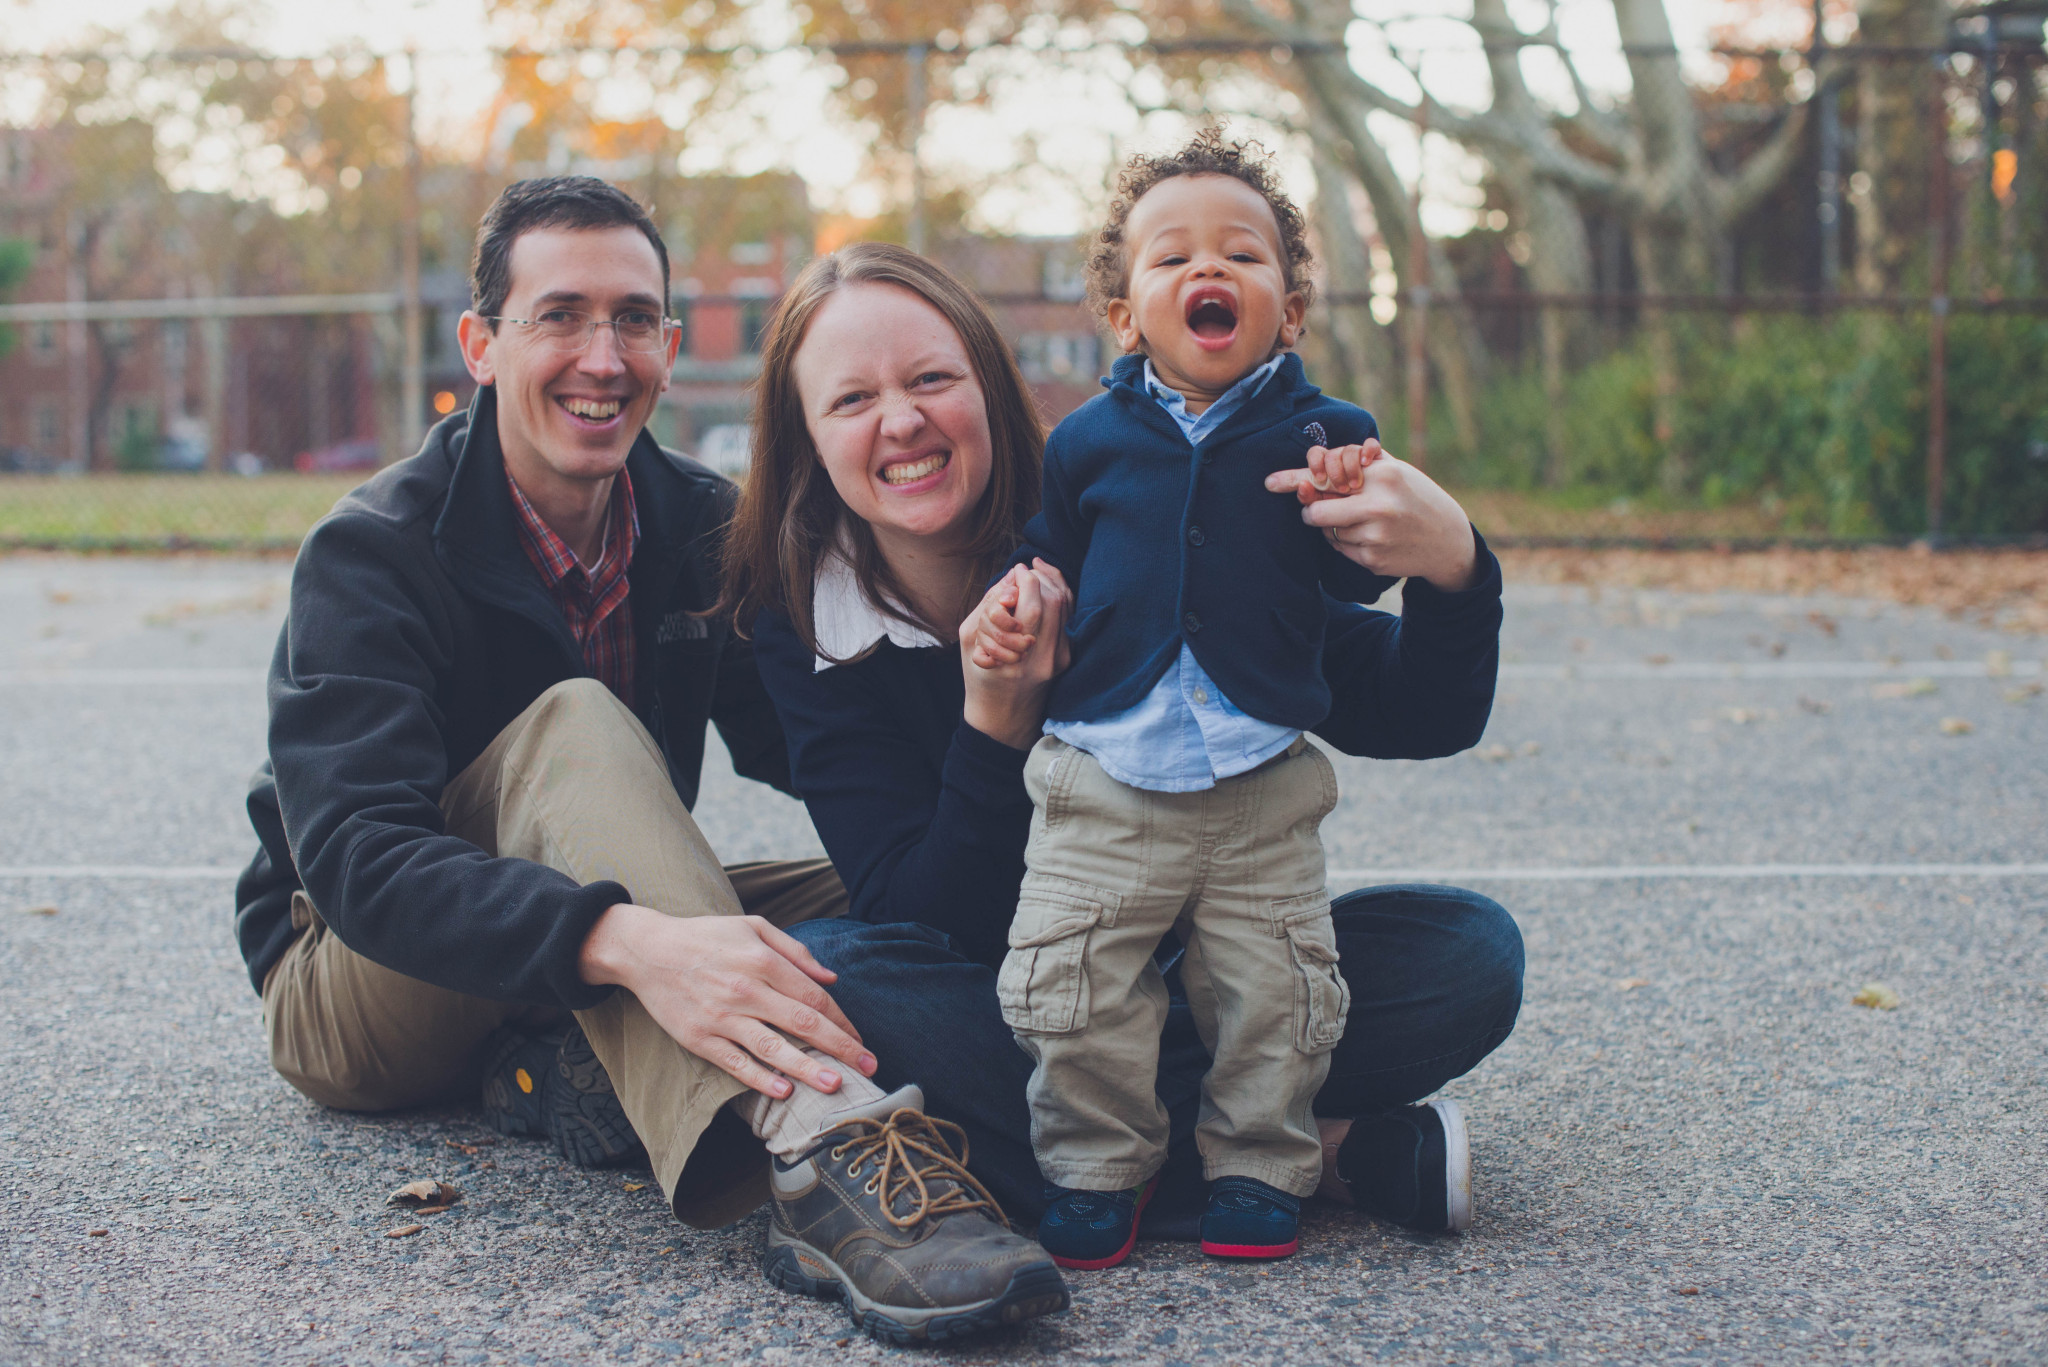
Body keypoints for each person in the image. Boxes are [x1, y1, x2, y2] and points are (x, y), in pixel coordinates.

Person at [231, 175, 1069, 1346]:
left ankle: (571, 1056)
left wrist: (987, 673)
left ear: (671, 348)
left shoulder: (700, 529)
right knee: (574, 722)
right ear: (480, 344)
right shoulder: (372, 551)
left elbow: (820, 750)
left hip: (566, 941)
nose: (602, 353)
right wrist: (627, 940)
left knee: (885, 902)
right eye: (559, 315)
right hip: (358, 975)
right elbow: (362, 860)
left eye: (633, 318)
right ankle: (832, 1150)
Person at [723, 232, 1523, 1267]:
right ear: (807, 438)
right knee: (839, 978)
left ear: (987, 385)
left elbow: (1412, 710)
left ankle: (1097, 1166)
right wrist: (996, 727)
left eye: (931, 379)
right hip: (1008, 1002)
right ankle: (1293, 1155)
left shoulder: (1116, 516)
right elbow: (919, 919)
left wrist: (1457, 570)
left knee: (1464, 955)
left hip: (1197, 975)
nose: (903, 420)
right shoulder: (805, 618)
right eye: (850, 400)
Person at [963, 128, 1441, 1267]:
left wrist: (1356, 513)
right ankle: (1093, 1165)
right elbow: (1048, 555)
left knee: (1274, 991)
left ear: (1287, 305)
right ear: (1126, 313)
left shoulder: (1329, 437)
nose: (1207, 270)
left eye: (1242, 253)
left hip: (1256, 778)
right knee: (1071, 985)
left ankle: (1260, 1163)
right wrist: (1019, 602)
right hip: (1103, 772)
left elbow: (1350, 573)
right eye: (1171, 258)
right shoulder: (1083, 443)